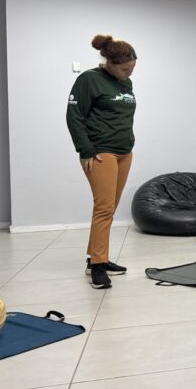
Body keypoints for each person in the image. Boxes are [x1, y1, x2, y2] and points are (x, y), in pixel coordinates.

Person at [66, 34, 137, 289]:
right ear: (110, 63)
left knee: (110, 207)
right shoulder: (89, 79)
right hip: (100, 151)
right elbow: (74, 116)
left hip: (124, 151)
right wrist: (85, 150)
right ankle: (97, 267)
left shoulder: (125, 84)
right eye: (125, 69)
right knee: (104, 207)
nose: (129, 73)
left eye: (132, 69)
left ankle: (98, 258)